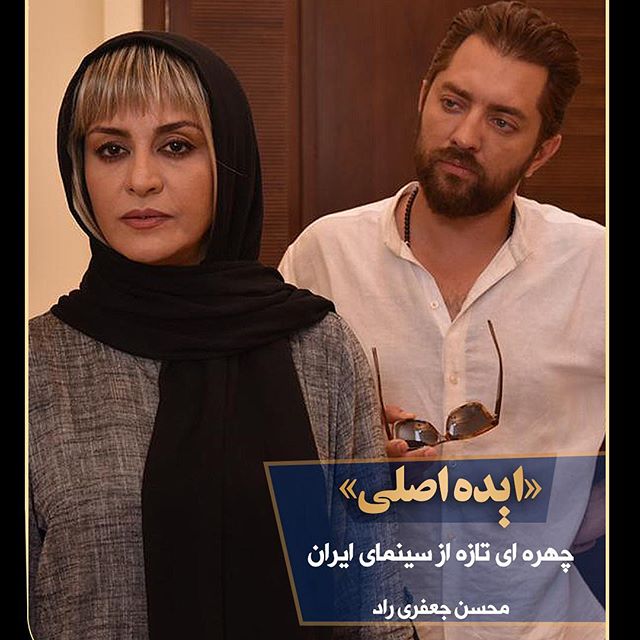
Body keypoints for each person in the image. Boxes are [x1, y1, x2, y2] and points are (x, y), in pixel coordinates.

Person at [28, 31, 413, 640]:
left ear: (228, 162)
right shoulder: (39, 366)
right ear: (80, 170)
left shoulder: (319, 349)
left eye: (176, 146)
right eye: (111, 150)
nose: (141, 179)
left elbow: (371, 603)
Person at [279, 2, 604, 639]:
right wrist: (350, 457)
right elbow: (268, 447)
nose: (465, 135)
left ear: (542, 152)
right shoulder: (323, 258)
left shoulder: (596, 267)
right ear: (424, 96)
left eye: (503, 121)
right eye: (453, 103)